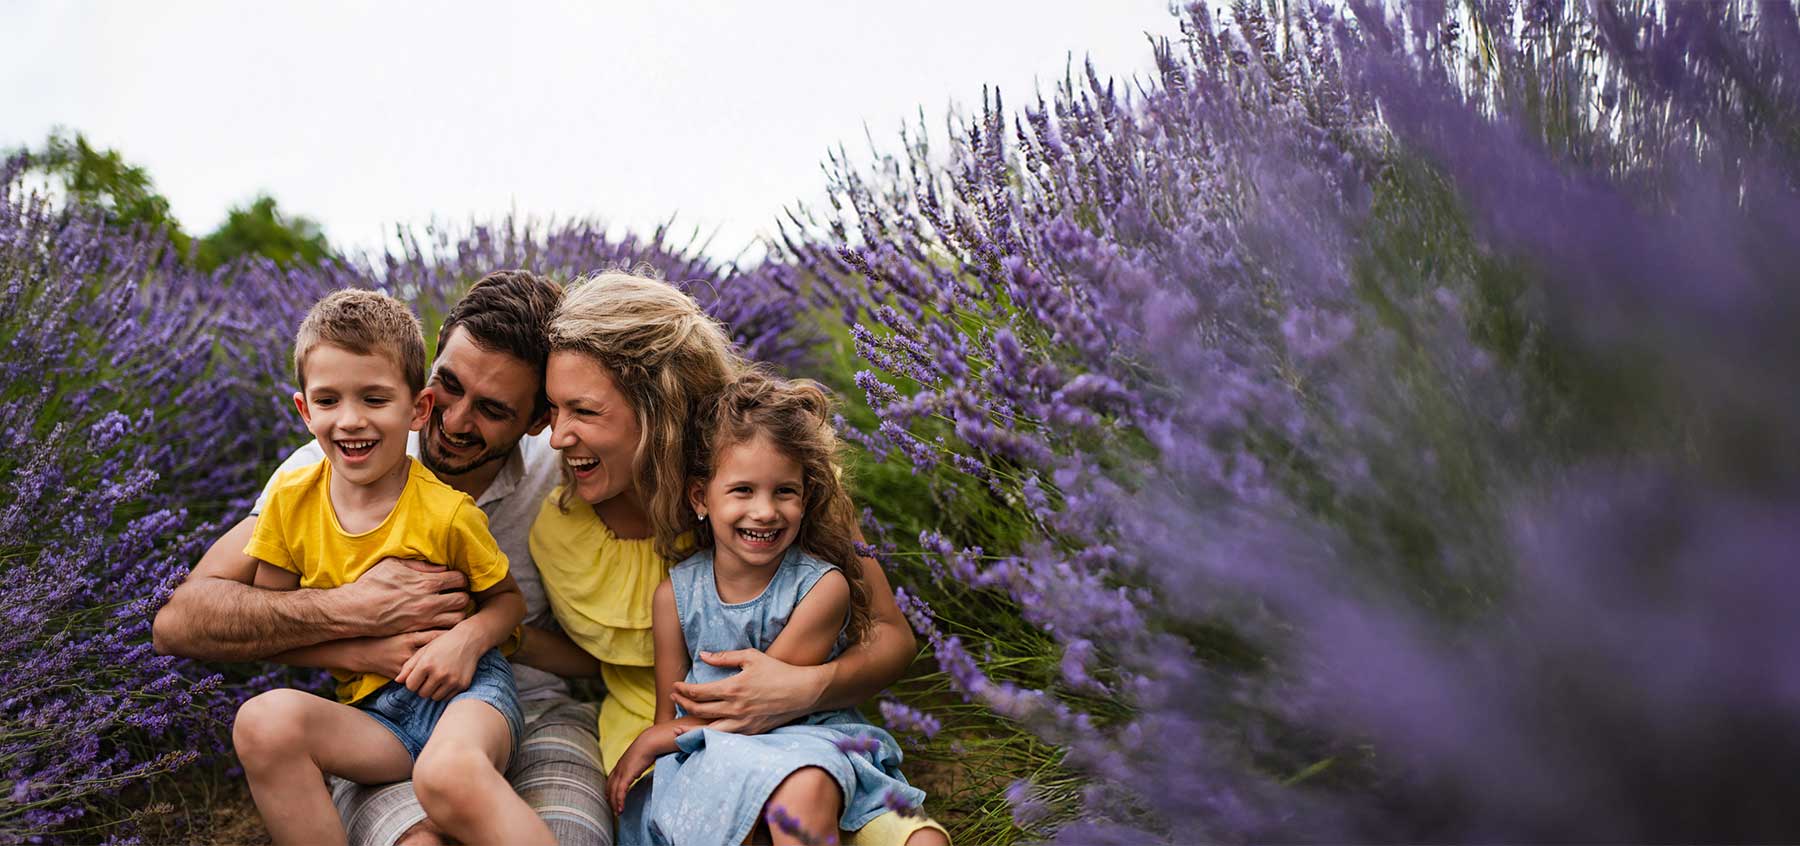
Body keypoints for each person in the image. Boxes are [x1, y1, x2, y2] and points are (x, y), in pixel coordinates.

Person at [154, 271, 613, 846]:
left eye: (493, 409)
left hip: (523, 708)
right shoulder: (322, 472)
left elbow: (635, 621)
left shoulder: (568, 470)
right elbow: (181, 620)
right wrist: (353, 616)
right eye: (449, 386)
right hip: (376, 713)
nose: (455, 420)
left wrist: (471, 632)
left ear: (538, 421)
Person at [528, 271, 950, 845]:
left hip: (810, 733)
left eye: (584, 411)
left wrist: (806, 687)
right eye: (554, 409)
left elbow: (890, 636)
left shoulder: (770, 473)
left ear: (657, 409)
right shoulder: (562, 527)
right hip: (673, 747)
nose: (557, 436)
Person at [229, 289, 553, 846]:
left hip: (468, 696)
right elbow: (271, 627)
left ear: (415, 408)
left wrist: (467, 641)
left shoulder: (447, 510)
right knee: (262, 722)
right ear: (304, 411)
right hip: (376, 713)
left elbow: (507, 602)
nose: (351, 420)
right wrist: (359, 649)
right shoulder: (290, 500)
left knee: (446, 773)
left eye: (375, 400)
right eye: (328, 401)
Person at [609, 371, 931, 845]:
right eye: (743, 490)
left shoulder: (823, 588)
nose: (765, 511)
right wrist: (664, 738)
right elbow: (670, 711)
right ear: (701, 497)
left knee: (808, 794)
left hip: (798, 734)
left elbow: (761, 700)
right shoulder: (675, 595)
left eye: (784, 491)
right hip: (712, 748)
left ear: (806, 497)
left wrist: (658, 739)